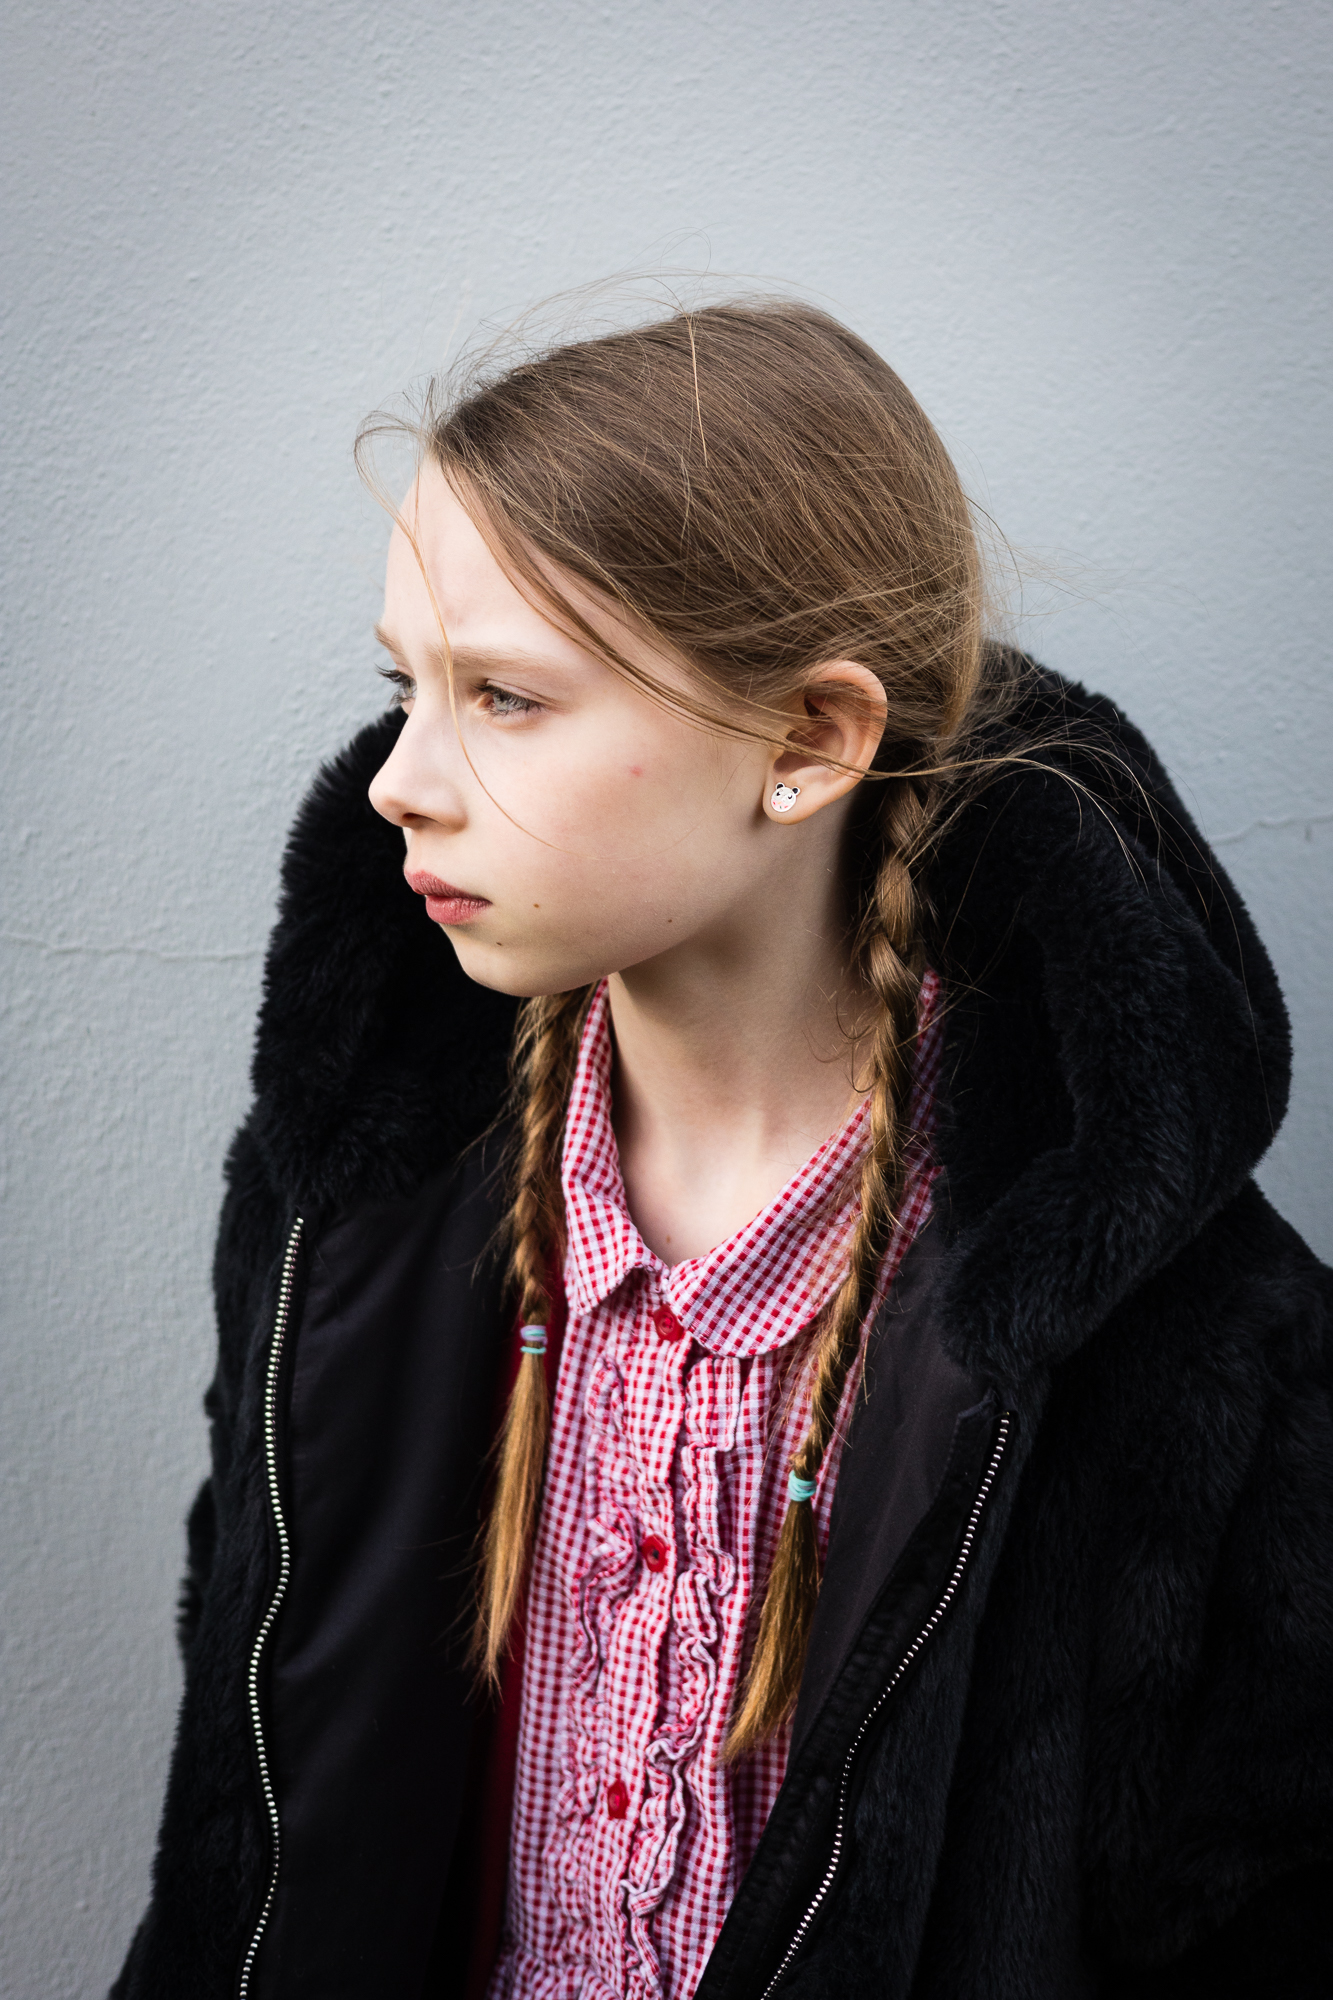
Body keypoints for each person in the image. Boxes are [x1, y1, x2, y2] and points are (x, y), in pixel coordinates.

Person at [112, 303, 1332, 2000]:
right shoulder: (353, 1207)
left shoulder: (1169, 1326)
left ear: (810, 740)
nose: (401, 780)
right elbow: (246, 1826)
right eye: (408, 686)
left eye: (505, 697)